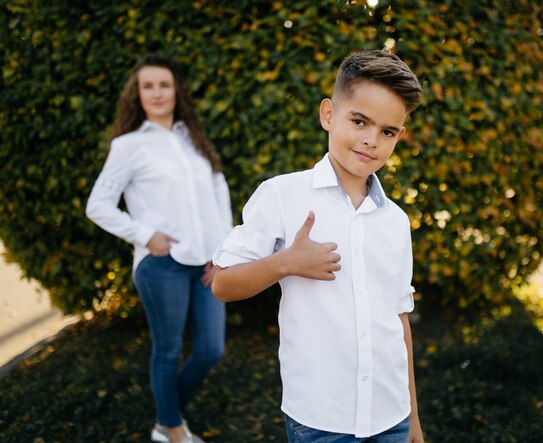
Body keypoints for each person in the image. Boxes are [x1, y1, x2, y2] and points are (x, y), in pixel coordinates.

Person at [211, 50, 425, 442]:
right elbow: (222, 285)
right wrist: (285, 262)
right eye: (359, 121)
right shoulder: (282, 195)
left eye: (387, 132)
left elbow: (398, 319)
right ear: (328, 114)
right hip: (321, 421)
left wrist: (412, 416)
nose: (370, 140)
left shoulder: (395, 220)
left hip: (391, 414)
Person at [86, 53, 232, 443]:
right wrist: (145, 234)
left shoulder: (193, 140)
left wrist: (225, 254)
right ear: (137, 94)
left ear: (175, 90)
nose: (157, 92)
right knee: (167, 351)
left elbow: (220, 197)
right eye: (147, 86)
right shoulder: (128, 146)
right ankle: (171, 429)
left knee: (210, 349)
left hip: (208, 264)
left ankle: (165, 417)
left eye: (164, 84)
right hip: (162, 264)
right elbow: (97, 205)